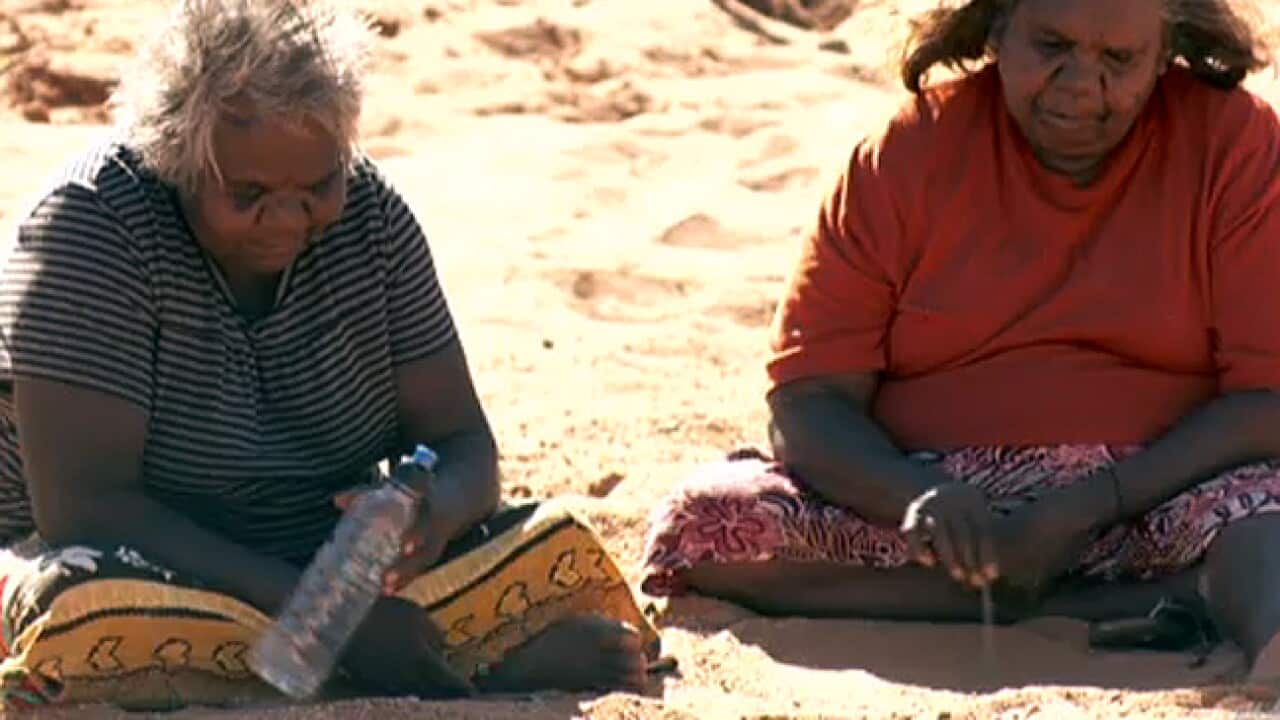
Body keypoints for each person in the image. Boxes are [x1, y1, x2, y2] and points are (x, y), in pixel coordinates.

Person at [0, 0, 658, 710]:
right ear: (178, 161)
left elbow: (465, 443)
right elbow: (85, 507)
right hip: (147, 565)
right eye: (248, 194)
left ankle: (348, 665)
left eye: (317, 189)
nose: (287, 219)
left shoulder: (374, 222)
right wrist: (318, 619)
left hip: (328, 567)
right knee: (79, 613)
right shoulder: (90, 230)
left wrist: (429, 516)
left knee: (558, 546)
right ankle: (458, 664)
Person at [643, 0, 1280, 683]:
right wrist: (918, 497)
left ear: (1166, 52)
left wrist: (1094, 503)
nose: (1078, 85)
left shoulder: (1234, 144)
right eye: (1052, 45)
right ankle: (1124, 600)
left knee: (1264, 529)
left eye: (1118, 61)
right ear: (996, 29)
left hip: (1162, 493)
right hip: (943, 509)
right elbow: (807, 398)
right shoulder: (907, 152)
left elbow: (1265, 400)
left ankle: (1177, 602)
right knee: (705, 526)